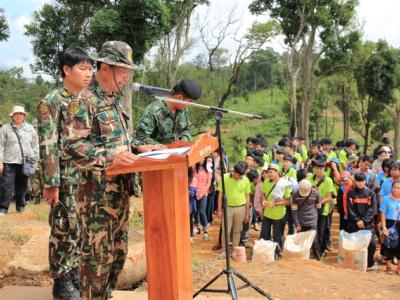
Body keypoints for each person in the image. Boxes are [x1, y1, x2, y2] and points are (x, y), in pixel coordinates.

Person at [78, 41, 142, 299]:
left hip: (120, 196)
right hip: (96, 198)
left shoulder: (115, 102)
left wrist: (141, 147)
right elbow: (71, 148)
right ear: (104, 67)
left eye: (128, 71)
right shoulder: (84, 101)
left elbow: (121, 142)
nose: (126, 76)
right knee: (96, 263)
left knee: (116, 256)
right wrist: (110, 157)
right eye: (121, 70)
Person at [37, 47, 96, 300]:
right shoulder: (51, 101)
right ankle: (61, 282)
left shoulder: (88, 100)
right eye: (83, 68)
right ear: (66, 70)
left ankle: (73, 274)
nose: (88, 73)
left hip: (87, 178)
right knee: (64, 228)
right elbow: (48, 143)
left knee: (81, 228)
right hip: (64, 178)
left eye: (90, 68)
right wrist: (51, 183)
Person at [135, 79, 202, 146]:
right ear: (179, 98)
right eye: (189, 101)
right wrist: (162, 147)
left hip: (178, 152)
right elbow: (140, 139)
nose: (189, 104)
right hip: (158, 153)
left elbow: (186, 130)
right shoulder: (154, 111)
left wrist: (184, 140)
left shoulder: (183, 110)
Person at [0, 105, 39, 215]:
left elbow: (35, 145)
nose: (18, 116)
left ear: (24, 116)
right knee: (7, 185)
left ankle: (21, 206)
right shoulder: (5, 129)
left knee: (22, 185)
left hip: (26, 161)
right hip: (9, 161)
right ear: (12, 116)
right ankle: (3, 208)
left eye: (21, 114)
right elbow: (0, 146)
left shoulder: (30, 128)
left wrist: (35, 160)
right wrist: (0, 162)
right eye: (16, 114)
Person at [217, 161, 250, 258]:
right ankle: (224, 251)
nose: (238, 176)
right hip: (227, 208)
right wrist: (219, 210)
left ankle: (235, 250)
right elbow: (220, 194)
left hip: (240, 208)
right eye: (237, 174)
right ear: (234, 170)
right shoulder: (225, 177)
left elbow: (247, 196)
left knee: (237, 230)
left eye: (240, 175)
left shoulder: (245, 180)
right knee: (226, 230)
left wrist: (247, 212)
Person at [346, 173, 377, 270]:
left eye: (362, 181)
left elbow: (372, 210)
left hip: (367, 224)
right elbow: (350, 209)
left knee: (372, 244)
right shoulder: (351, 193)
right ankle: (353, 263)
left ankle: (369, 264)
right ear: (355, 181)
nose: (360, 183)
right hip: (354, 223)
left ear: (365, 181)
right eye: (358, 181)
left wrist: (364, 221)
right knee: (353, 244)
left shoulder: (371, 194)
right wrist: (358, 220)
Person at [260, 163, 292, 255]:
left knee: (277, 235)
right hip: (267, 213)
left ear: (277, 172)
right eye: (268, 172)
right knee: (264, 234)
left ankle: (277, 252)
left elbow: (289, 201)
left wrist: (276, 203)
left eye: (271, 172)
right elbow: (264, 194)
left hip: (278, 214)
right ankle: (264, 251)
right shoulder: (266, 181)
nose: (269, 174)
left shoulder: (284, 183)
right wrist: (264, 201)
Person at [307, 160, 335, 254]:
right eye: (317, 168)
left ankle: (320, 252)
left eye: (321, 169)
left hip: (323, 210)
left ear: (325, 170)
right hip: (311, 210)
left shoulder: (328, 180)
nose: (319, 170)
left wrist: (320, 202)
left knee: (321, 232)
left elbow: (329, 197)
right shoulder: (309, 179)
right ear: (314, 169)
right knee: (312, 231)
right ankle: (313, 250)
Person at [291, 179, 322, 259]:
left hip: (312, 221)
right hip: (300, 222)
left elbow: (318, 205)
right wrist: (296, 223)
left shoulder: (316, 193)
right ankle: (301, 258)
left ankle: (318, 259)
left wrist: (315, 216)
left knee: (314, 241)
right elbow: (294, 210)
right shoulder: (295, 194)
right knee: (301, 241)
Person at [380, 180, 400, 273]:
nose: (395, 189)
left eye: (398, 188)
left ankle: (398, 268)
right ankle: (388, 266)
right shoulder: (386, 198)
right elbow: (383, 213)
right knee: (389, 244)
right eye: (394, 187)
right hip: (389, 223)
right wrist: (384, 227)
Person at [193, 158, 212, 240]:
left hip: (204, 193)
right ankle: (197, 227)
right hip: (194, 192)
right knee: (195, 211)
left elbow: (209, 182)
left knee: (202, 211)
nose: (201, 160)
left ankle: (205, 230)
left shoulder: (208, 168)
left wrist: (203, 192)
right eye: (200, 158)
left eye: (203, 158)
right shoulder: (194, 167)